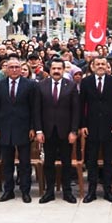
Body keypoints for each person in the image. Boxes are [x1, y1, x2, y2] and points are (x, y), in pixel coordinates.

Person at [0, 57, 40, 204]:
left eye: (16, 67)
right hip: (5, 128)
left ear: (21, 69)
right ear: (6, 69)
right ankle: (8, 191)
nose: (14, 70)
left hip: (24, 128)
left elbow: (34, 108)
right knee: (7, 162)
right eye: (11, 67)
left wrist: (33, 127)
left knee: (25, 163)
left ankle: (25, 192)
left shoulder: (30, 85)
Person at [36, 58, 80, 203]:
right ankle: (49, 192)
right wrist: (39, 131)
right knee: (48, 163)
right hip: (47, 132)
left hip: (66, 132)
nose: (56, 71)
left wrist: (74, 131)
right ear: (49, 70)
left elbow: (76, 111)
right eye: (53, 68)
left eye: (59, 69)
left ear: (63, 70)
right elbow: (37, 111)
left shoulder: (71, 86)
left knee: (66, 163)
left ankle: (67, 192)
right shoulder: (41, 86)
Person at [79, 57, 112, 203]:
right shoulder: (86, 82)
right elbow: (81, 105)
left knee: (108, 160)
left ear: (107, 66)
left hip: (110, 127)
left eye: (103, 64)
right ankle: (91, 191)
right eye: (98, 64)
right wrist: (83, 125)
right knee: (91, 161)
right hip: (91, 127)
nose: (100, 66)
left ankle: (108, 191)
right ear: (92, 66)